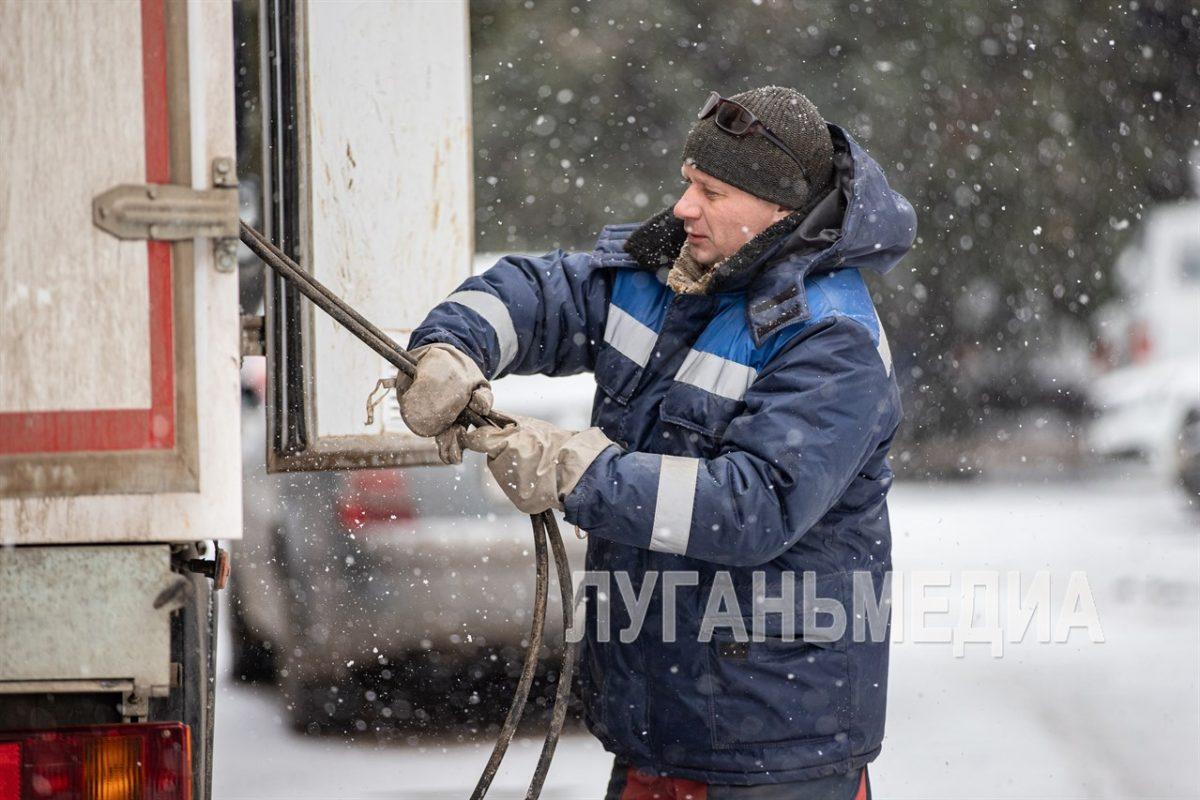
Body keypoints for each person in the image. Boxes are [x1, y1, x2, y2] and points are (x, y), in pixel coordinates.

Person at [397, 86, 915, 799]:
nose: (683, 207)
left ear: (778, 211)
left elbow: (751, 509)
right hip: (662, 733)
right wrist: (454, 344)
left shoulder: (831, 336)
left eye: (711, 190)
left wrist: (577, 472)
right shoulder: (666, 279)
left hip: (774, 757)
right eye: (686, 182)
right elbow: (539, 291)